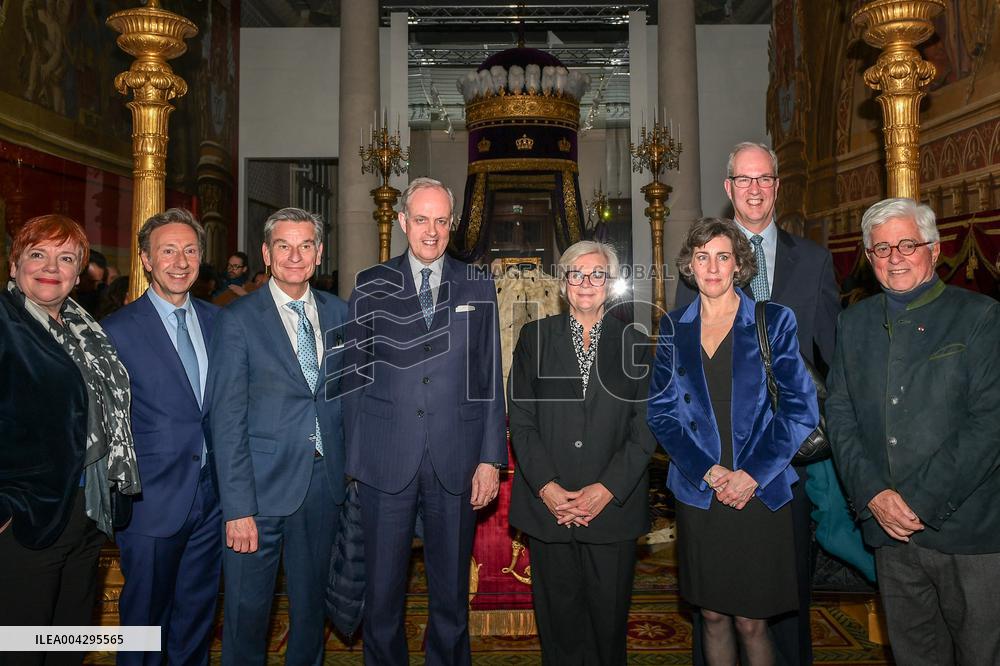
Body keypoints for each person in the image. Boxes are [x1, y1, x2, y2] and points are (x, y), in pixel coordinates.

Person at [674, 142, 840, 666]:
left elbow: (834, 357)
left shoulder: (812, 260)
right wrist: (707, 466)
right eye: (744, 179)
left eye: (764, 178)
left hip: (786, 457)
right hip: (714, 458)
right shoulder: (702, 262)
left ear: (776, 186)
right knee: (715, 607)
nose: (754, 188)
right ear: (729, 188)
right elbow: (682, 377)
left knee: (783, 592)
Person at [826, 198, 1000, 665]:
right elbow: (839, 414)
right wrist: (873, 494)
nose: (895, 257)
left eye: (907, 245)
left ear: (935, 249)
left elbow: (990, 424)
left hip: (969, 533)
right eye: (881, 249)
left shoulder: (981, 316)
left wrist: (917, 501)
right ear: (869, 258)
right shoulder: (853, 322)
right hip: (890, 534)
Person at [342, 177, 507, 665]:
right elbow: (352, 379)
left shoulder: (477, 284)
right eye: (420, 219)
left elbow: (488, 376)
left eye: (440, 221)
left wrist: (490, 458)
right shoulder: (369, 285)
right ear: (402, 222)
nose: (431, 231)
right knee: (382, 596)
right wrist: (356, 462)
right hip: (385, 458)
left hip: (456, 459)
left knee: (451, 598)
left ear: (452, 224)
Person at [648, 217, 818, 665]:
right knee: (712, 616)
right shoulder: (674, 327)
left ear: (739, 265)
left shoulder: (772, 320)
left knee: (751, 621)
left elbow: (800, 409)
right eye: (702, 257)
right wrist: (707, 470)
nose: (712, 267)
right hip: (701, 491)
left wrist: (751, 475)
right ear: (690, 265)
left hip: (758, 490)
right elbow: (661, 413)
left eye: (723, 257)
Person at [207, 208, 349, 666]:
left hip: (323, 485)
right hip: (258, 492)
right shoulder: (237, 318)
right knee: (247, 615)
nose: (295, 256)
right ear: (266, 254)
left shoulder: (340, 313)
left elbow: (348, 398)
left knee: (312, 611)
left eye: (305, 245)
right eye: (283, 246)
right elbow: (226, 418)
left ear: (319, 253)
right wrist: (237, 508)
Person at [508, 240, 657, 665]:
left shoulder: (635, 343)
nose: (586, 283)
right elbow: (521, 419)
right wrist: (548, 488)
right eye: (577, 274)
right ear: (563, 283)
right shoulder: (534, 338)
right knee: (559, 631)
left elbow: (646, 425)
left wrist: (606, 489)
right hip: (549, 511)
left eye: (597, 275)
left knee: (608, 631)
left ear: (610, 284)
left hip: (612, 511)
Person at [0, 214, 140, 666]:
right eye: (37, 254)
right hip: (28, 517)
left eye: (65, 259)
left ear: (79, 275)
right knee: (22, 647)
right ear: (14, 265)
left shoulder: (86, 329)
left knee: (68, 641)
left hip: (89, 510)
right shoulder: (6, 322)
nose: (50, 267)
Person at [102, 209, 221, 666]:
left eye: (190, 250)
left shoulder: (219, 322)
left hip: (213, 500)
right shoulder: (116, 331)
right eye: (167, 251)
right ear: (146, 260)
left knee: (196, 619)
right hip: (150, 502)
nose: (180, 261)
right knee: (144, 625)